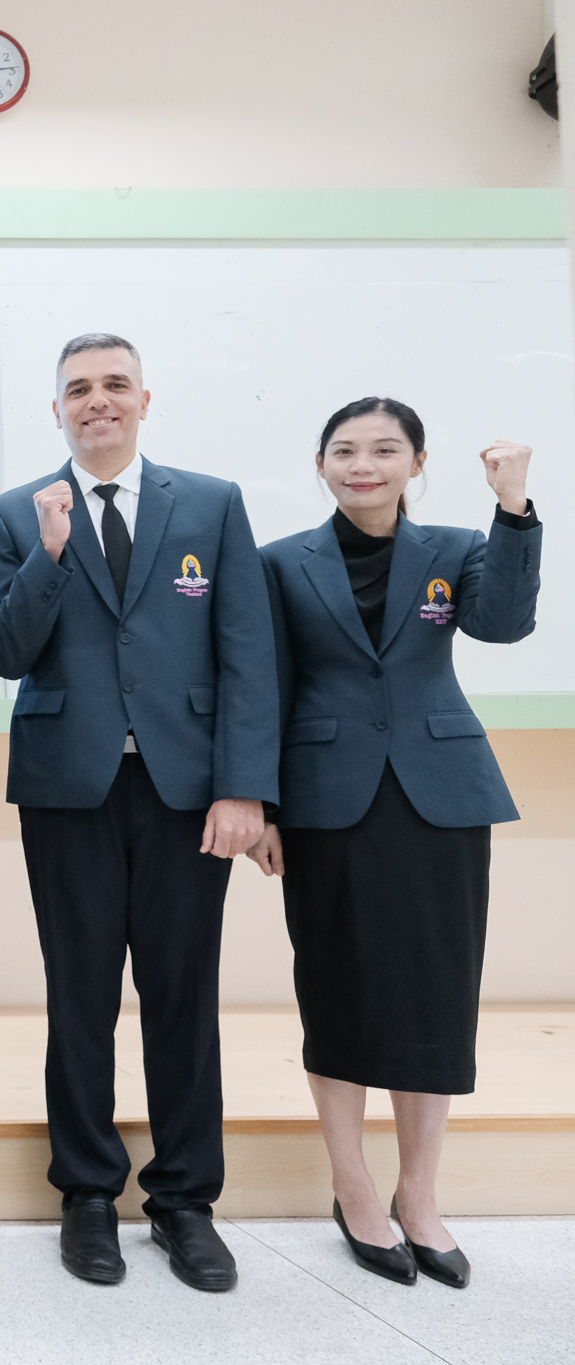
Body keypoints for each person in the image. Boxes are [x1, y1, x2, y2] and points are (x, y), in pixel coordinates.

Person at [0, 334, 277, 1293]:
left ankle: (185, 1199)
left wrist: (245, 785)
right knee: (80, 993)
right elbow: (6, 651)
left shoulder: (212, 503)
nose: (96, 400)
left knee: (184, 993)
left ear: (146, 398)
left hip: (188, 791)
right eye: (78, 389)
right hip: (69, 787)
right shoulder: (15, 514)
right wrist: (50, 554)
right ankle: (88, 1193)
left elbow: (247, 650)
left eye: (114, 384)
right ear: (56, 410)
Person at [249, 400, 540, 1290]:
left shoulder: (456, 546)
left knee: (435, 997)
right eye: (344, 449)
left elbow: (504, 623)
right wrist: (262, 804)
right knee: (336, 989)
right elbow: (263, 687)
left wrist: (514, 507)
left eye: (384, 449)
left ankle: (419, 1194)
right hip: (324, 799)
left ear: (417, 462)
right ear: (320, 463)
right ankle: (354, 1188)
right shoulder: (279, 561)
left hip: (440, 796)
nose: (362, 464)